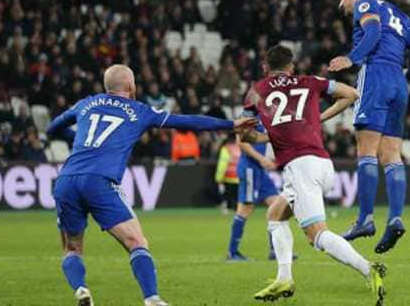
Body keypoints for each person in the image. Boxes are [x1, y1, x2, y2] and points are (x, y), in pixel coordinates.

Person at [47, 64, 255, 306]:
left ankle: (81, 290)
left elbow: (53, 128)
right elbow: (186, 121)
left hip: (66, 179)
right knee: (136, 242)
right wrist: (230, 125)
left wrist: (80, 141)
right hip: (98, 181)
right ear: (131, 86)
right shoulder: (139, 110)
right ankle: (152, 298)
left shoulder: (86, 103)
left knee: (72, 247)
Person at [241, 45, 386, 304]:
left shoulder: (256, 91)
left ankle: (369, 269)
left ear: (265, 67)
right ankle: (284, 277)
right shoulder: (310, 82)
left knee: (317, 235)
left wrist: (259, 135)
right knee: (275, 215)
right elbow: (351, 93)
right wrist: (319, 118)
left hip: (300, 167)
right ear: (291, 67)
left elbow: (244, 132)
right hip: (321, 162)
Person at [329, 0, 410, 254]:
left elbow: (372, 32)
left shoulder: (365, 3)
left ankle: (364, 220)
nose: (341, 3)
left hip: (376, 75)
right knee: (391, 154)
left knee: (366, 151)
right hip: (399, 81)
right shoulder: (401, 14)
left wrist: (352, 58)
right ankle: (395, 218)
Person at [226, 118, 281, 261]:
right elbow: (242, 143)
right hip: (250, 168)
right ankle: (233, 252)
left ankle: (275, 250)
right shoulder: (248, 116)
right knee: (245, 209)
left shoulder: (265, 116)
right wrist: (262, 159)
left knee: (276, 205)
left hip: (260, 170)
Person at [214, 134, 241, 213]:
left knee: (228, 195)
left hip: (229, 177)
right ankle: (238, 210)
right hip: (240, 176)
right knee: (238, 197)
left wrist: (218, 178)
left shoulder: (226, 149)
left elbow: (222, 164)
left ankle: (228, 208)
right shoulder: (241, 147)